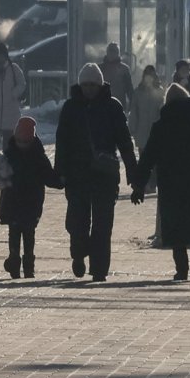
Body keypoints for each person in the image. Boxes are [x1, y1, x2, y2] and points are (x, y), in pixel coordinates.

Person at [132, 84, 190, 282]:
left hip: (171, 183)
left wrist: (139, 186)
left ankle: (181, 268)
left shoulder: (161, 125)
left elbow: (148, 158)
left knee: (176, 224)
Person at [56, 63, 138, 282]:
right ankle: (79, 254)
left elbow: (124, 141)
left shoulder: (112, 107)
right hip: (77, 174)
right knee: (77, 222)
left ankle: (99, 269)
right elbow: (62, 141)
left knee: (103, 224)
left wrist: (132, 170)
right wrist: (60, 172)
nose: (89, 89)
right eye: (85, 84)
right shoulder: (71, 107)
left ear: (100, 85)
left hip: (104, 174)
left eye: (93, 84)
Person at [0, 116, 59, 279]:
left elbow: (49, 176)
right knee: (14, 233)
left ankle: (28, 266)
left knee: (29, 235)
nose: (22, 145)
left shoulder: (39, 157)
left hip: (32, 202)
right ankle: (14, 262)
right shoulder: (9, 154)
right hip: (13, 201)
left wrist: (61, 181)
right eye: (20, 141)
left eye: (25, 142)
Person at [131, 65, 164, 157]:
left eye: (151, 75)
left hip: (156, 130)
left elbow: (163, 111)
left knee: (155, 157)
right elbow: (134, 112)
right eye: (147, 75)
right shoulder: (138, 92)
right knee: (143, 157)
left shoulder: (160, 91)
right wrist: (132, 128)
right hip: (141, 130)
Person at [100, 43, 134, 124]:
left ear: (117, 53)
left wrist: (132, 105)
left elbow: (129, 89)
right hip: (102, 106)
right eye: (110, 51)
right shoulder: (100, 69)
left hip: (119, 105)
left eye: (114, 51)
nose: (112, 54)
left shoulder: (124, 69)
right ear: (107, 52)